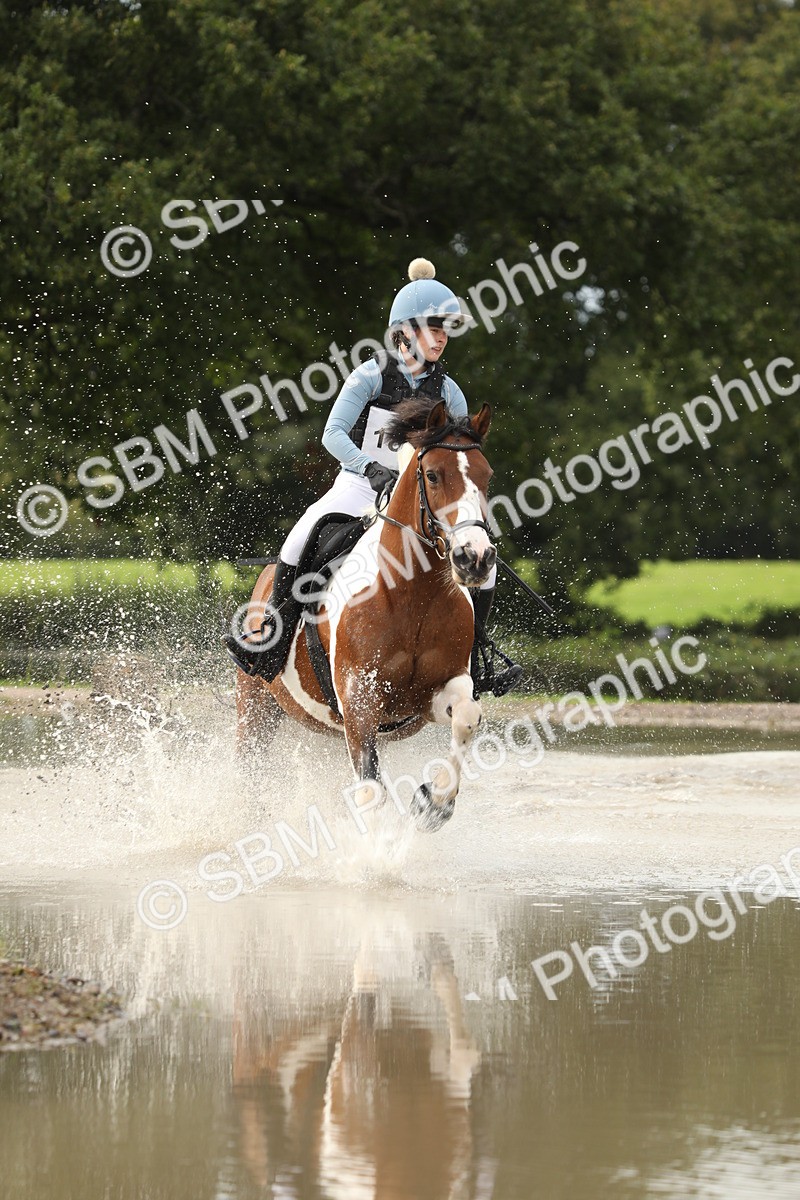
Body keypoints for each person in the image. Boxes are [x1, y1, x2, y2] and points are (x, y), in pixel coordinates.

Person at [225, 258, 522, 696]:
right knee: (300, 540)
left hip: (420, 495)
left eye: (445, 329)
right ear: (404, 331)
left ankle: (476, 658)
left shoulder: (449, 391)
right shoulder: (370, 375)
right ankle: (272, 639)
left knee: (485, 568)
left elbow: (458, 456)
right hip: (358, 484)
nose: (441, 337)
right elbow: (332, 434)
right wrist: (371, 468)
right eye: (431, 327)